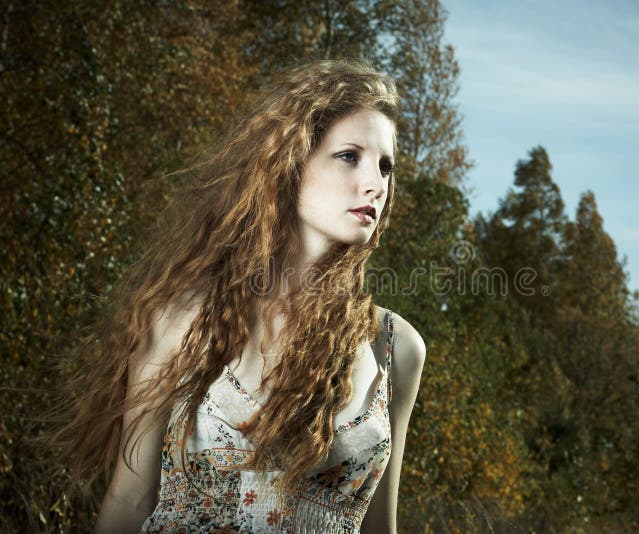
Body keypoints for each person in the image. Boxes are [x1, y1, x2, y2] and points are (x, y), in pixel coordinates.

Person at [54, 59, 426, 533]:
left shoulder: (394, 347)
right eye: (349, 155)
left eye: (385, 165)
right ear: (291, 161)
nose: (376, 183)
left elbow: (380, 529)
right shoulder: (184, 320)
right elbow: (129, 499)